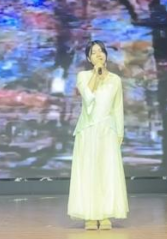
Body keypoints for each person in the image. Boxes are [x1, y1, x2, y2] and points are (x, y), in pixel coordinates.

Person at [68, 40, 129, 230]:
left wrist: (119, 132)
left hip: (107, 130)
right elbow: (88, 98)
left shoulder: (115, 80)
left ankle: (104, 214)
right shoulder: (83, 76)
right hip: (87, 130)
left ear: (106, 54)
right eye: (93, 52)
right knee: (88, 171)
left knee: (107, 171)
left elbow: (117, 108)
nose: (98, 54)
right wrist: (96, 73)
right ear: (89, 58)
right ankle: (90, 215)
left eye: (101, 51)